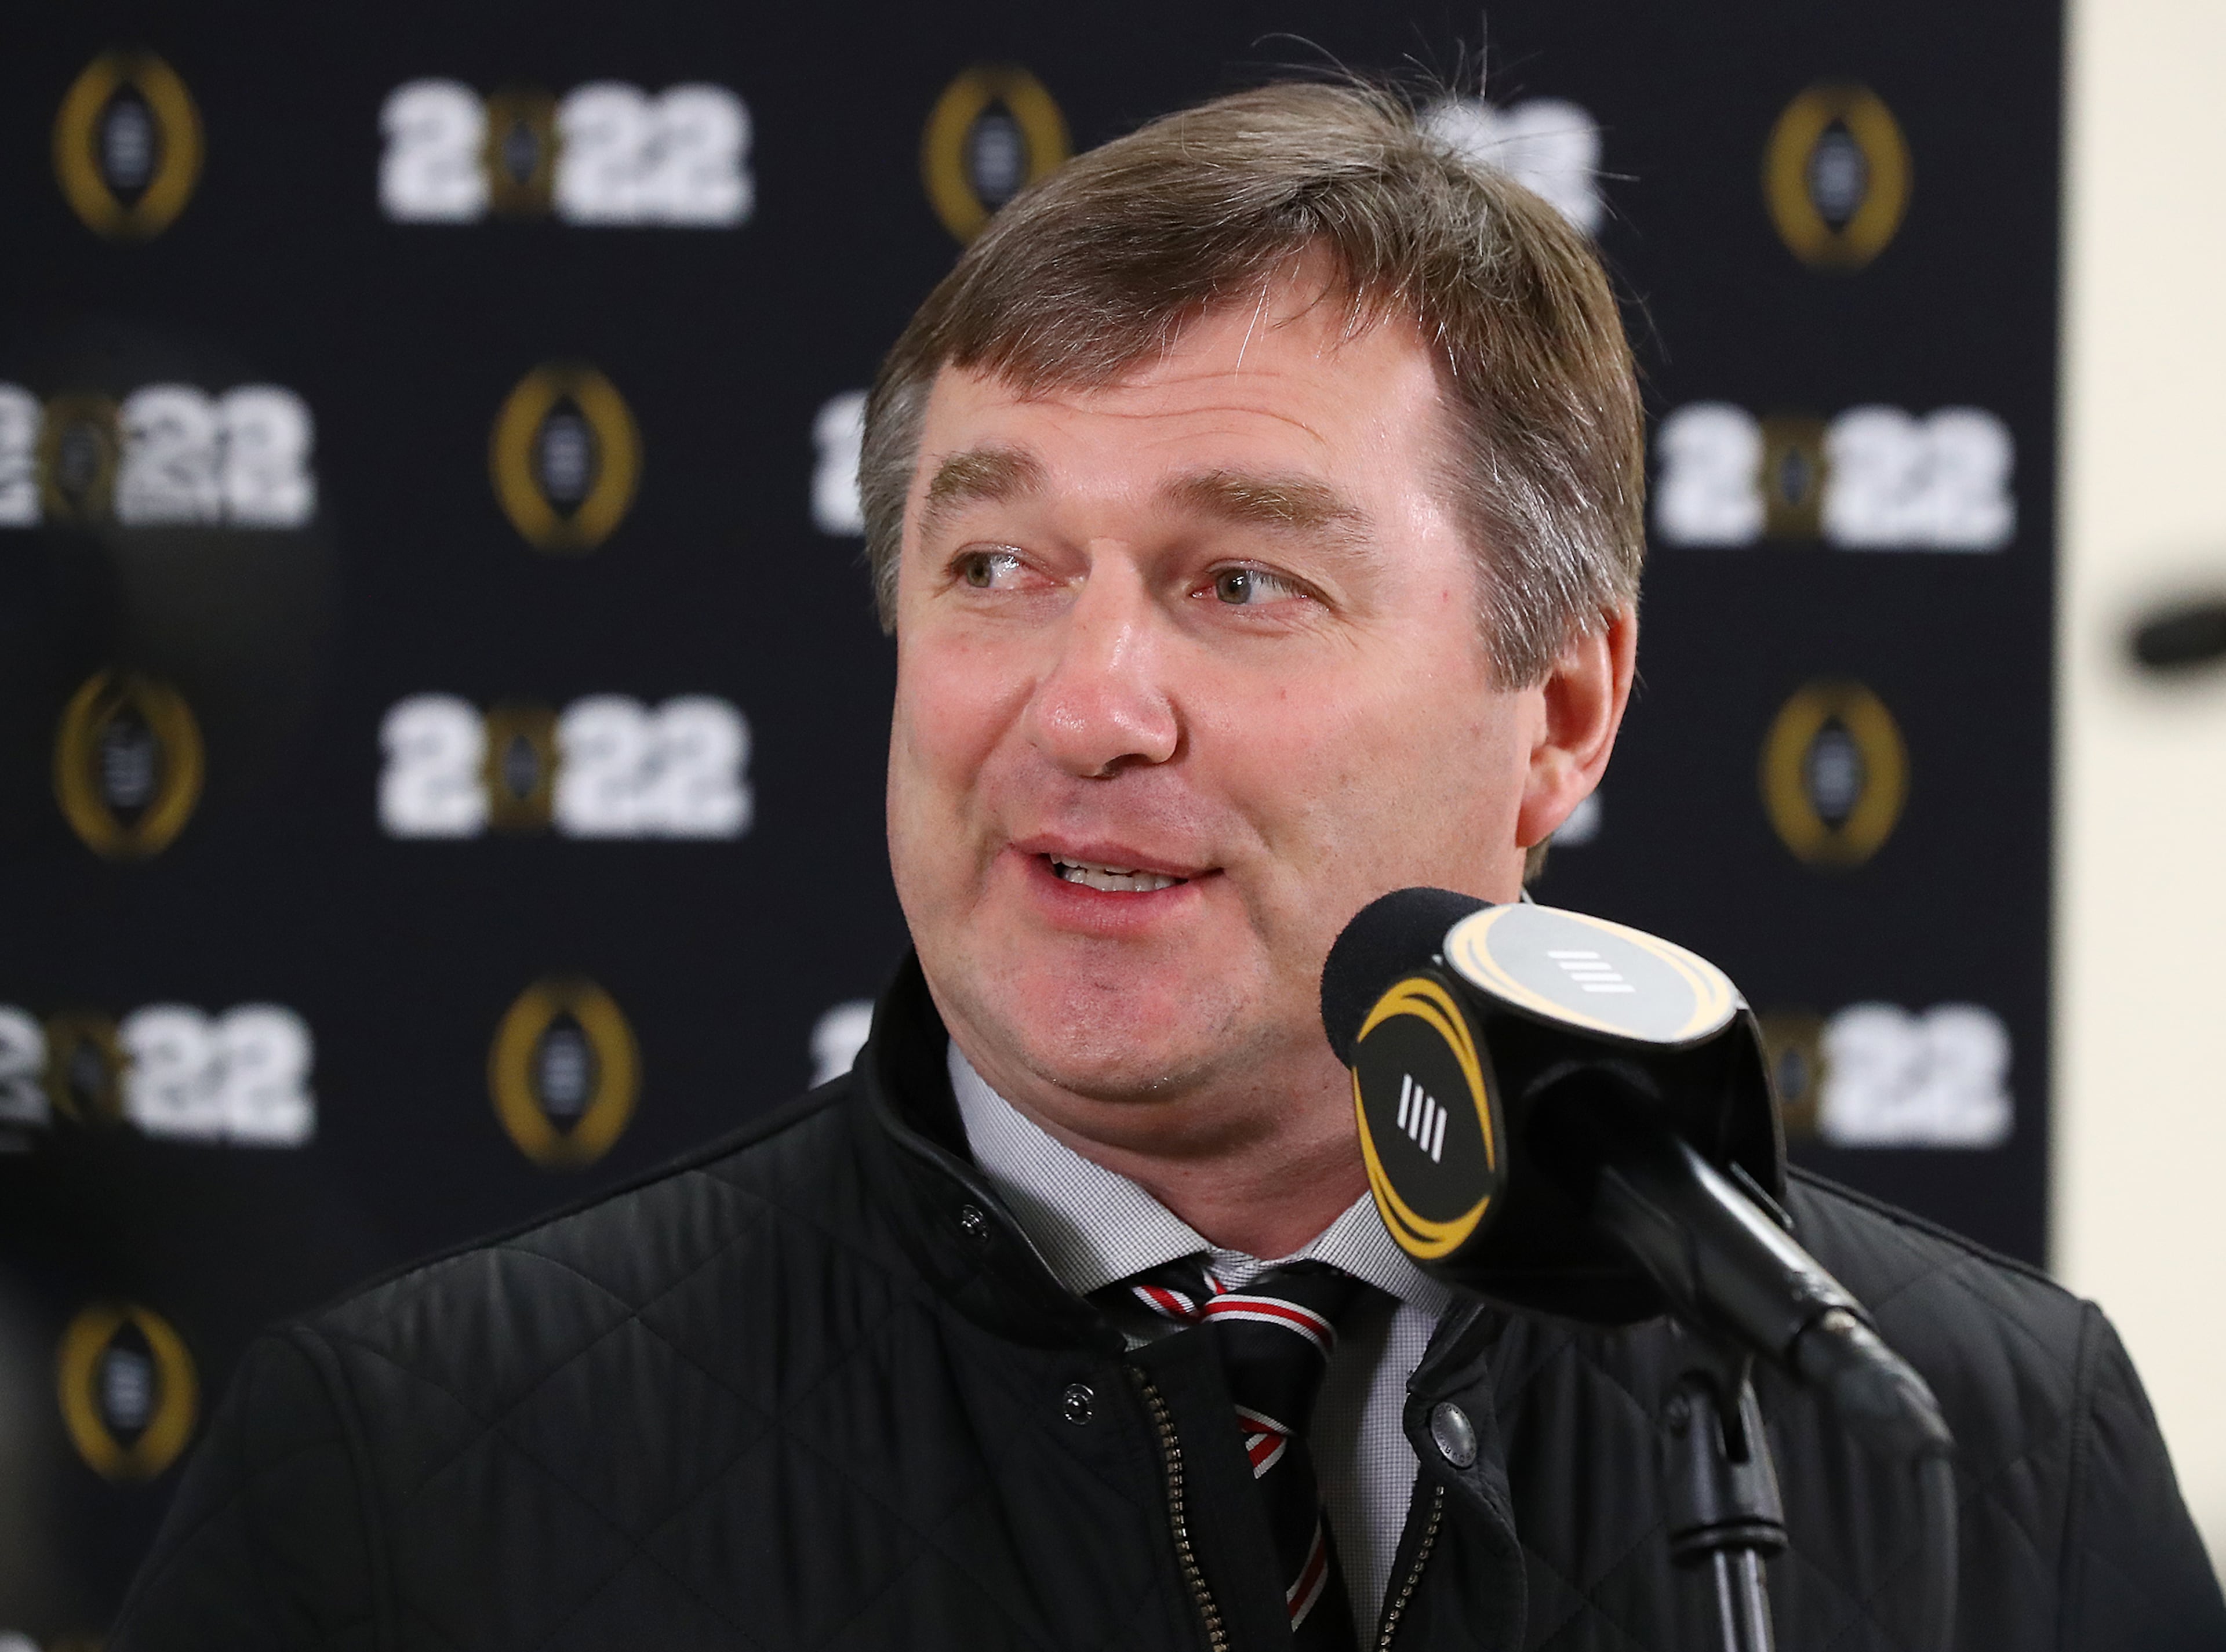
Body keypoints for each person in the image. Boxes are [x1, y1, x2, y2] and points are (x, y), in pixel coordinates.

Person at [114, 81, 2222, 1651]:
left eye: (1239, 580)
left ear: (1563, 710)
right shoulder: (401, 1471)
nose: (1086, 704)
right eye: (996, 566)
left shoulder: (1990, 1454)